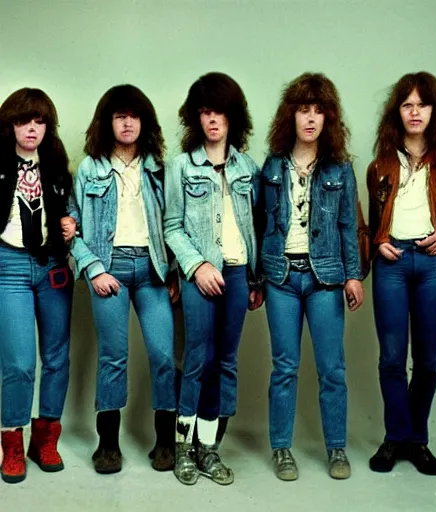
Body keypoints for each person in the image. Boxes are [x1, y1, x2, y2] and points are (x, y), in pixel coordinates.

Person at [367, 72, 436, 475]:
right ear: (397, 112)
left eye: (422, 104)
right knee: (392, 359)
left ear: (435, 111)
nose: (415, 112)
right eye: (407, 104)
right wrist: (377, 243)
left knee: (428, 361)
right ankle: (395, 437)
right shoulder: (380, 164)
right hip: (392, 265)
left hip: (433, 264)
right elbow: (370, 223)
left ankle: (417, 440)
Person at [259, 72, 364, 481]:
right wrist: (256, 281)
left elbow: (348, 226)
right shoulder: (271, 166)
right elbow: (258, 224)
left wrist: (353, 275)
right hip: (281, 276)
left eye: (319, 111)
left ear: (328, 119)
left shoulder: (340, 168)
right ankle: (282, 449)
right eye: (304, 109)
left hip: (325, 278)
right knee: (284, 367)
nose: (311, 118)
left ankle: (336, 448)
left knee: (332, 368)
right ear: (292, 115)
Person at [71, 84, 178, 474]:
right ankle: (108, 446)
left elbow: (173, 223)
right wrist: (94, 269)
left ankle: (165, 443)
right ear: (107, 122)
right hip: (109, 268)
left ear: (144, 122)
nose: (127, 122)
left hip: (152, 271)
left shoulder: (158, 168)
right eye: (119, 116)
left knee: (164, 355)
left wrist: (174, 271)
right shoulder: (89, 168)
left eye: (134, 115)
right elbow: (72, 228)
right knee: (113, 357)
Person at [164, 72, 263, 486]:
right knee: (196, 362)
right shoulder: (181, 166)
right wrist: (197, 266)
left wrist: (256, 279)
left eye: (219, 111)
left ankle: (210, 449)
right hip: (199, 275)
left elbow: (257, 224)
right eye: (204, 111)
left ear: (232, 116)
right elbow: (171, 226)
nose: (212, 119)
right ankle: (184, 450)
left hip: (239, 273)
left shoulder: (249, 168)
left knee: (226, 361)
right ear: (195, 118)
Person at [0, 88, 74, 484]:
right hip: (8, 264)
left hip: (52, 266)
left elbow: (71, 207)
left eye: (40, 121)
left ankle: (46, 438)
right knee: (18, 362)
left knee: (58, 356)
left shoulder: (58, 163)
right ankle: (12, 442)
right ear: (10, 124)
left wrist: (71, 224)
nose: (32, 128)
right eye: (23, 120)